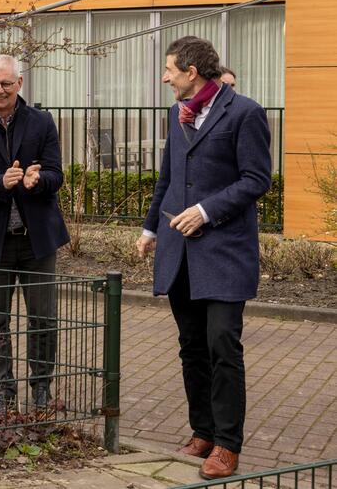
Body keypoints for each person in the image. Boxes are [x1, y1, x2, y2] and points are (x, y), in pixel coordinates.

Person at [136, 37, 271, 480]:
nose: (165, 76)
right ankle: (203, 432)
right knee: (191, 347)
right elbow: (169, 176)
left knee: (222, 346)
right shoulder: (178, 116)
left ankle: (228, 446)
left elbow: (257, 179)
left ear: (192, 71)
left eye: (170, 69)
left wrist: (206, 210)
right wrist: (151, 228)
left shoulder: (245, 112)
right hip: (180, 254)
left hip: (226, 252)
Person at [0, 54, 69, 418]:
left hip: (37, 240)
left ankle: (41, 390)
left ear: (20, 84)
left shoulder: (42, 122)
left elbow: (56, 175)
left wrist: (38, 181)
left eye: (5, 83)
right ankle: (3, 393)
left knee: (43, 319)